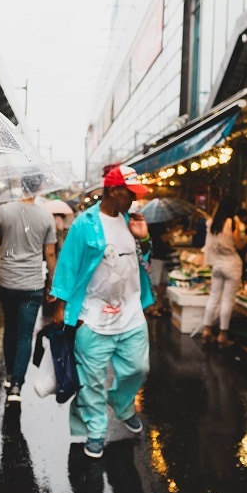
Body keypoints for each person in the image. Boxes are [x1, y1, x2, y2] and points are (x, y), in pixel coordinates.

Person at [49, 165, 154, 459]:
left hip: (131, 314)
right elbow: (68, 265)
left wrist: (144, 239)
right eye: (128, 193)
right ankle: (96, 430)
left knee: (138, 368)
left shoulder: (132, 222)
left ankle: (121, 404)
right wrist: (61, 307)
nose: (133, 199)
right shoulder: (85, 224)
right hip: (93, 316)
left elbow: (144, 262)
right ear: (111, 191)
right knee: (92, 379)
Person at [0, 175, 58, 404]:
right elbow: (49, 254)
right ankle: (17, 384)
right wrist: (54, 285)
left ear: (20, 185)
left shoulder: (3, 211)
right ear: (38, 187)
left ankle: (10, 375)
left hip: (7, 281)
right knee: (25, 334)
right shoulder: (46, 216)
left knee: (10, 327)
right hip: (33, 284)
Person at [199, 197, 247, 346]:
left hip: (217, 264)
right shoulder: (232, 223)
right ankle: (223, 336)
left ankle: (207, 330)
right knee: (227, 300)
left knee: (214, 297)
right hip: (232, 264)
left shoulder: (212, 223)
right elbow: (239, 245)